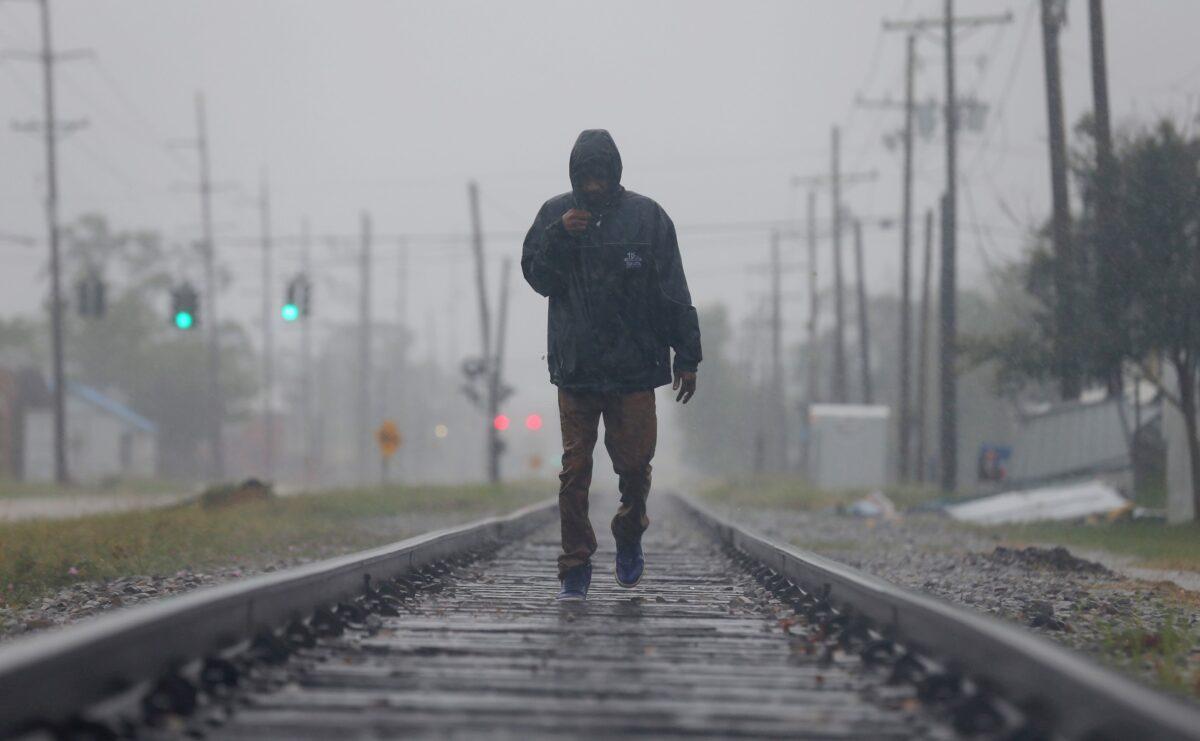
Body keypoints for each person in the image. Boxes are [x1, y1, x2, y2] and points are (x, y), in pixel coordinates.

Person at [521, 129, 702, 601]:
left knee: (635, 467)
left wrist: (687, 354)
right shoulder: (553, 216)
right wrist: (560, 235)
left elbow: (672, 289)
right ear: (575, 176)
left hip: (634, 370)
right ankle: (575, 563)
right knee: (574, 469)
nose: (595, 184)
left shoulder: (647, 218)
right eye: (587, 176)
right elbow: (538, 277)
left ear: (615, 173)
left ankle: (629, 530)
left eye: (601, 175)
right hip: (576, 369)